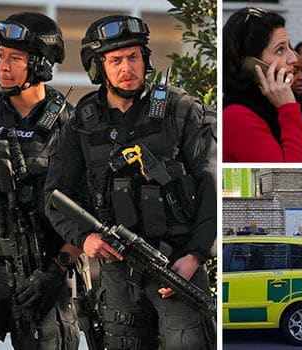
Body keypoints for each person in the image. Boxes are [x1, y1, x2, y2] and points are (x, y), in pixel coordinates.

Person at [44, 15, 217, 349]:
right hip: (117, 273)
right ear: (99, 68)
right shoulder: (81, 123)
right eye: (116, 60)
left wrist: (195, 255)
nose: (127, 67)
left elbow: (210, 185)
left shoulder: (181, 110)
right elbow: (55, 195)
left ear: (146, 59)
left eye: (134, 57)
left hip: (177, 266)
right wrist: (86, 237)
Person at [0, 12, 80, 349]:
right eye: (0, 56)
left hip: (47, 273)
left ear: (40, 64)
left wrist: (57, 269)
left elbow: (91, 210)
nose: (3, 65)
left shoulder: (70, 125)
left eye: (15, 58)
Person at [223, 7, 302, 162]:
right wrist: (289, 109)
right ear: (250, 63)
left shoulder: (271, 103)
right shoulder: (237, 117)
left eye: (289, 46)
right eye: (280, 50)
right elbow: (289, 176)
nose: (294, 59)